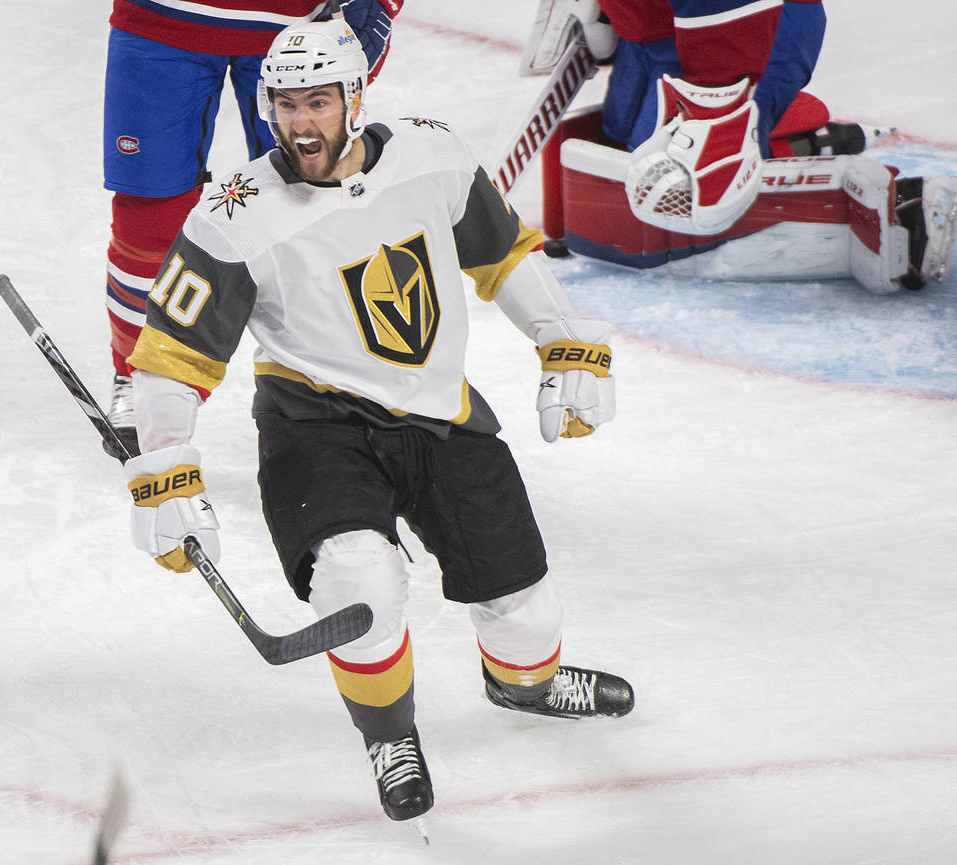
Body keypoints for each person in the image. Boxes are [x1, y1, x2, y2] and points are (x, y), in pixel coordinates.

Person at [121, 17, 635, 824]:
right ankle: (388, 734)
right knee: (359, 579)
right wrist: (165, 468)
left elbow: (503, 252)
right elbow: (171, 355)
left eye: (318, 102)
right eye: (285, 104)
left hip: (439, 411)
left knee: (524, 608)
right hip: (314, 423)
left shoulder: (431, 155)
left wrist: (563, 339)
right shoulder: (234, 214)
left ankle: (525, 681)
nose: (300, 122)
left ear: (355, 99)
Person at [101, 0, 403, 454]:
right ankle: (140, 374)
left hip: (300, 31)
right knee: (149, 219)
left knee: (313, 206)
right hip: (161, 20)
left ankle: (328, 383)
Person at [526, 0, 957, 293]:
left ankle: (891, 207)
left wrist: (719, 97)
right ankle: (791, 133)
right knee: (621, 132)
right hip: (663, 32)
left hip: (752, 27)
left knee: (677, 179)